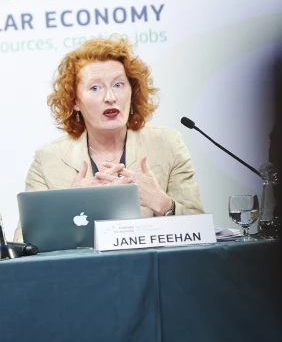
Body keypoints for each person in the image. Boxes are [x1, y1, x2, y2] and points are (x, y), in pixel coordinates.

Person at [15, 36, 203, 238]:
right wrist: (69, 204)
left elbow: (200, 229)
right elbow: (23, 241)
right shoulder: (47, 160)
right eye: (95, 88)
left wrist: (162, 203)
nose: (110, 97)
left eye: (119, 85)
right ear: (75, 101)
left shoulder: (168, 144)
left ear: (132, 91)